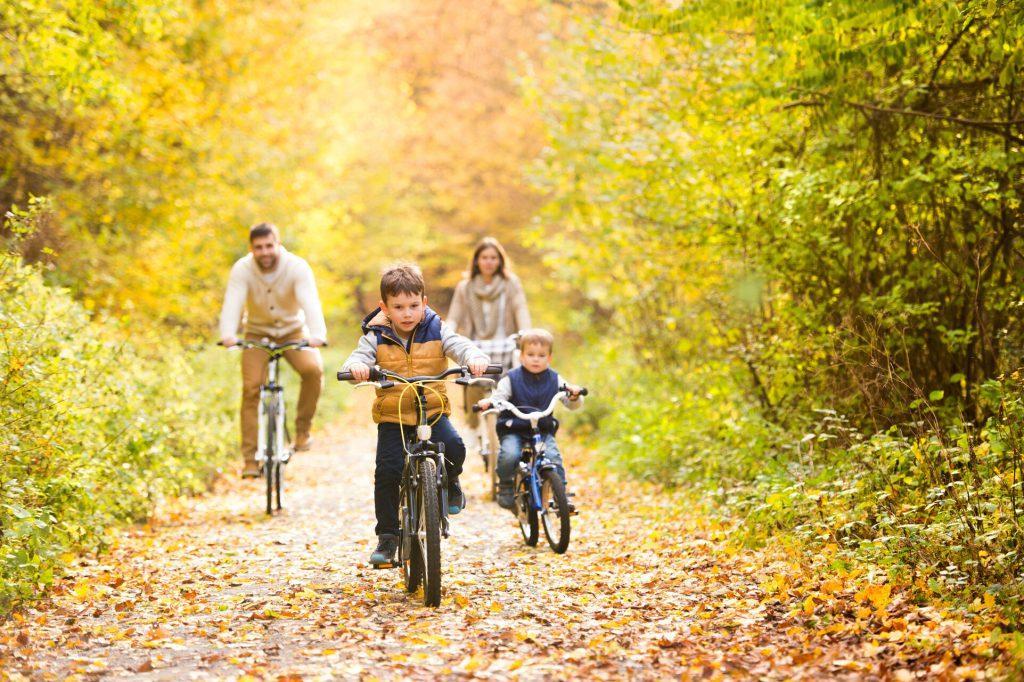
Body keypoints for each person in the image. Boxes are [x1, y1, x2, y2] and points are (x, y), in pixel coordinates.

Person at [340, 263, 489, 567]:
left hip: (431, 411)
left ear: (424, 303)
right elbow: (359, 358)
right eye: (398, 307)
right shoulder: (375, 335)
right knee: (387, 472)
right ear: (385, 308)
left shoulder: (436, 328)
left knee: (456, 447)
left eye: (413, 305)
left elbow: (458, 345)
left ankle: (451, 482)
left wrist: (473, 357)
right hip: (393, 415)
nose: (407, 313)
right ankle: (388, 537)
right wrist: (358, 369)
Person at [219, 223, 326, 478]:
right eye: (258, 247)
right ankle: (250, 460)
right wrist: (228, 334)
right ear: (251, 249)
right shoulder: (242, 269)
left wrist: (317, 334)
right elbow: (233, 302)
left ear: (278, 244)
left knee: (312, 370)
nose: (264, 252)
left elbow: (309, 301)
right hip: (257, 333)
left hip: (293, 331)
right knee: (251, 387)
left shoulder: (297, 267)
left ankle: (302, 432)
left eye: (269, 245)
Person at [476, 329, 583, 510]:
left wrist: (573, 395)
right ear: (521, 356)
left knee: (553, 457)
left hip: (541, 431)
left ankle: (560, 496)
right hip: (514, 429)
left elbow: (570, 401)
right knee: (510, 454)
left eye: (541, 355)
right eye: (531, 354)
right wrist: (490, 403)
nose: (536, 359)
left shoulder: (555, 379)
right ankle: (506, 486)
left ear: (549, 358)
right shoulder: (511, 379)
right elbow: (499, 397)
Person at [447, 237, 532, 453]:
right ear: (476, 261)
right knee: (473, 383)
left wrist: (526, 334)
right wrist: (446, 333)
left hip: (505, 343)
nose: (488, 262)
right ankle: (473, 427)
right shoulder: (465, 287)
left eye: (493, 257)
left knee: (511, 386)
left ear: (500, 260)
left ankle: (512, 428)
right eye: (484, 257)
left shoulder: (510, 283)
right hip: (476, 345)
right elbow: (454, 316)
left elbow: (520, 309)